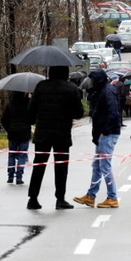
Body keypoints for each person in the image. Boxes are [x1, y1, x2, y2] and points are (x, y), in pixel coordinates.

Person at [27, 66, 85, 211]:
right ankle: (60, 199)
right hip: (62, 133)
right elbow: (79, 113)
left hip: (42, 134)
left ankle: (33, 198)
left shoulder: (41, 86)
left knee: (39, 166)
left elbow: (31, 110)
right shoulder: (71, 88)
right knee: (61, 167)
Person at [74, 69, 122, 209]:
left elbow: (113, 113)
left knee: (105, 165)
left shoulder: (108, 91)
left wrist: (105, 132)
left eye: (93, 80)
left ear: (98, 80)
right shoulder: (101, 91)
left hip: (107, 133)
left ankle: (112, 197)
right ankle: (91, 195)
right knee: (97, 166)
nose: (91, 83)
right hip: (102, 133)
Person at [1, 91, 32, 185]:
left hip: (12, 133)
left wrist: (8, 129)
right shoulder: (28, 105)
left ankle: (10, 176)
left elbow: (3, 119)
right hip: (24, 133)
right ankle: (19, 177)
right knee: (22, 155)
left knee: (11, 155)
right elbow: (32, 118)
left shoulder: (10, 105)